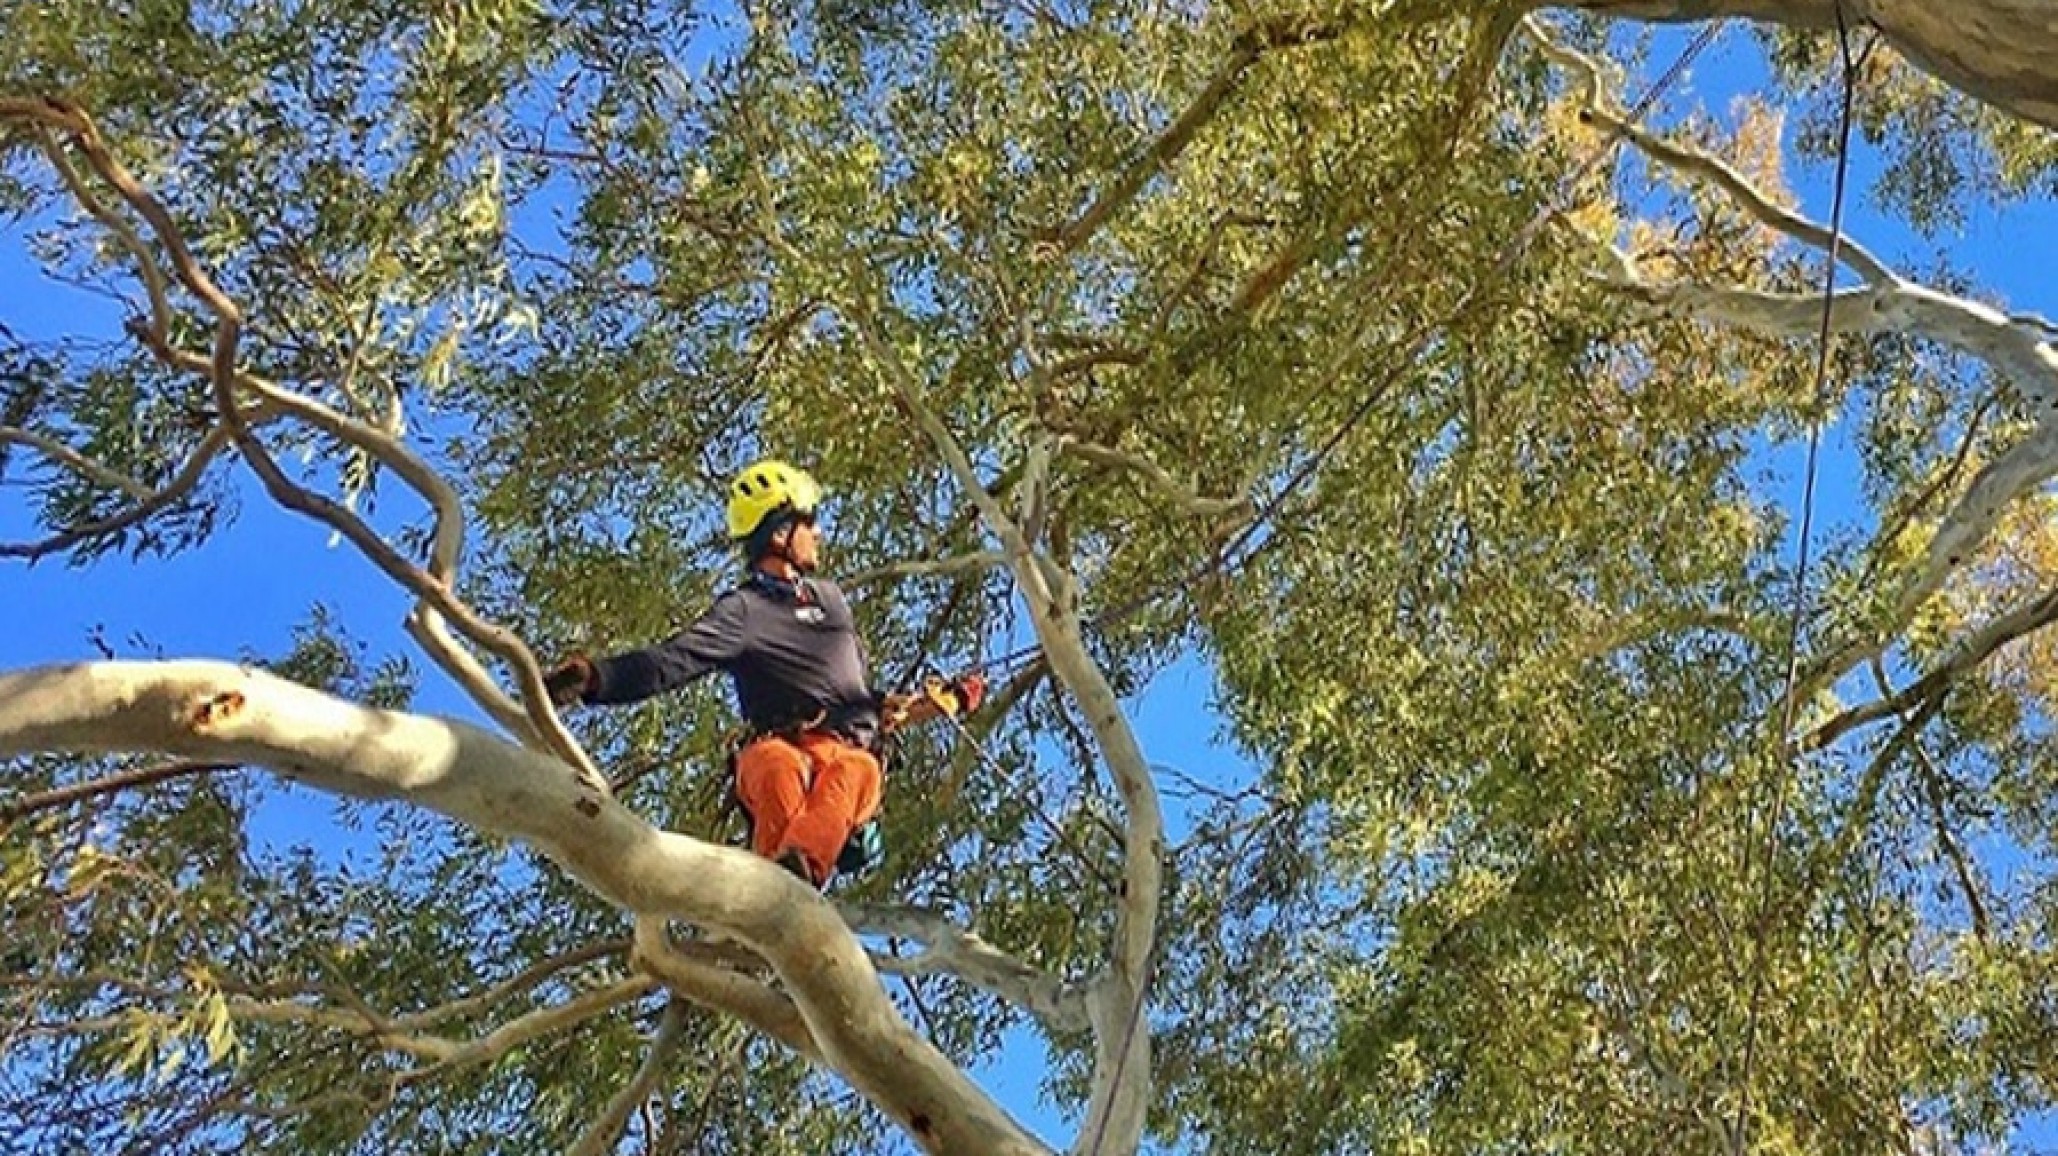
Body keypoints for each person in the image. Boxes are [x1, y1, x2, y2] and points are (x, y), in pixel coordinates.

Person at [544, 459, 983, 888]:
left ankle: (792, 882)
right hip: (780, 748)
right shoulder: (744, 610)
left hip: (847, 757)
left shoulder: (831, 602)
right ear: (779, 533)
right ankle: (771, 897)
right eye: (808, 524)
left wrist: (952, 699)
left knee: (854, 772)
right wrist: (597, 677)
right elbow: (672, 660)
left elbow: (870, 703)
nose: (818, 534)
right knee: (774, 769)